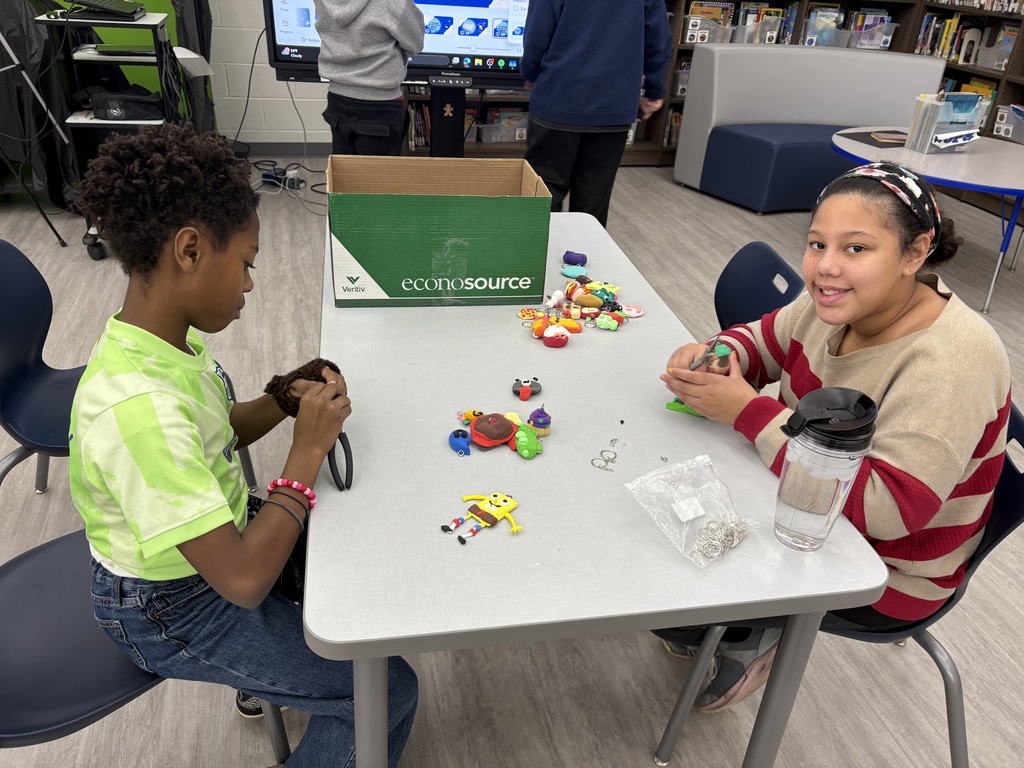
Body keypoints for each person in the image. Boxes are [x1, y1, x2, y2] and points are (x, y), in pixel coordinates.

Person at [70, 124, 418, 767]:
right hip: (173, 608)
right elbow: (243, 579)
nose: (252, 284)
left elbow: (219, 431)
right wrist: (304, 456)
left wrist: (284, 401)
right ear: (191, 250)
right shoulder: (139, 412)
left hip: (216, 544)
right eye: (248, 263)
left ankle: (275, 675)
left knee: (366, 567)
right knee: (388, 690)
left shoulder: (164, 344)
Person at [658, 162, 1012, 713]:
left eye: (856, 249)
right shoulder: (834, 299)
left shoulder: (952, 362)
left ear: (915, 254)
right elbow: (765, 339)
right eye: (817, 242)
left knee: (679, 574)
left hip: (885, 569)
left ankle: (747, 633)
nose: (825, 267)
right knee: (674, 524)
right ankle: (728, 626)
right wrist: (720, 354)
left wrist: (750, 412)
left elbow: (888, 510)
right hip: (802, 500)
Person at [521, 0, 672, 227]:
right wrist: (654, 90)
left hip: (559, 97)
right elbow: (658, 40)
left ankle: (533, 258)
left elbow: (537, 34)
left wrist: (530, 73)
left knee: (544, 192)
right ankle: (583, 258)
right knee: (594, 198)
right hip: (613, 103)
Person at [313, 0, 425, 156]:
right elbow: (416, 42)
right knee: (378, 177)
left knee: (344, 173)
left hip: (337, 99)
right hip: (380, 105)